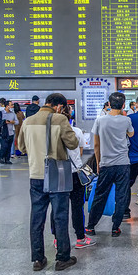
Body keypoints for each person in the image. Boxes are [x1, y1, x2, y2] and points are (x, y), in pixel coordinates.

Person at [18, 93, 79, 271]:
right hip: (57, 175)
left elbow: (21, 147)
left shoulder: (28, 121)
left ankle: (38, 259)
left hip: (36, 175)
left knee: (37, 217)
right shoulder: (59, 119)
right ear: (59, 106)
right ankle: (62, 258)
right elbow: (73, 143)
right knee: (60, 216)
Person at [86, 92, 134, 237]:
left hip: (106, 163)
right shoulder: (126, 121)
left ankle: (91, 226)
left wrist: (99, 162)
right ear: (123, 105)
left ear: (109, 104)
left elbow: (96, 144)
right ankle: (115, 227)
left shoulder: (100, 120)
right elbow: (131, 135)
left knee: (100, 195)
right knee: (121, 196)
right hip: (123, 164)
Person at [50, 105, 96, 249]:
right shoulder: (76, 131)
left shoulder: (51, 132)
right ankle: (81, 238)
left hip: (58, 174)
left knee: (57, 208)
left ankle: (58, 239)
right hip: (75, 174)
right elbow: (80, 152)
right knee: (77, 207)